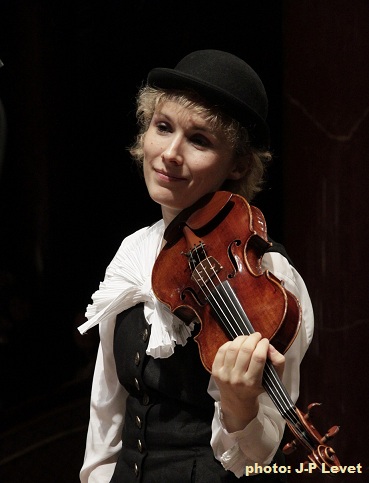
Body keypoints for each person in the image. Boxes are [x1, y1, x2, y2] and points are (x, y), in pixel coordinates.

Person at [78, 49, 314, 482]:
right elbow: (106, 411)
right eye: (162, 127)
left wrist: (240, 402)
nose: (169, 153)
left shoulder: (269, 278)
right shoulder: (133, 253)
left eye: (199, 140)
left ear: (239, 164)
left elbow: (260, 458)